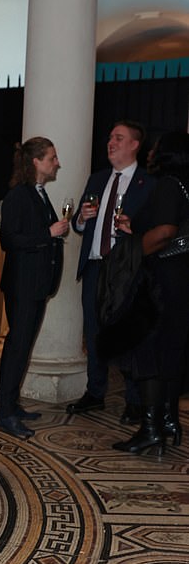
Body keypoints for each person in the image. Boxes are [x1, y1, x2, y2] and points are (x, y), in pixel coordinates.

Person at [68, 121, 155, 419]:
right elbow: (79, 224)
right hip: (94, 268)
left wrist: (135, 227)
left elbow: (156, 230)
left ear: (134, 145)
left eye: (118, 138)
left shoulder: (148, 184)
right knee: (93, 334)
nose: (111, 142)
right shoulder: (97, 179)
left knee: (126, 333)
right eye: (109, 138)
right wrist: (81, 217)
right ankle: (95, 392)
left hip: (125, 272)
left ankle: (134, 399)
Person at [112, 130, 189, 455]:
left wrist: (132, 248)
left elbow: (165, 232)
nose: (150, 152)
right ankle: (169, 419)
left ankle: (150, 430)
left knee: (149, 355)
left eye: (156, 147)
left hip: (160, 282)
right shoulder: (186, 187)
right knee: (171, 354)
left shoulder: (168, 185)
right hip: (180, 282)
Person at [0, 138, 69, 438]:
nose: (57, 163)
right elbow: (10, 240)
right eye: (52, 158)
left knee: (23, 348)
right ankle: (5, 414)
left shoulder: (39, 194)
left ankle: (13, 407)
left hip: (37, 286)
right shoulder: (17, 197)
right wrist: (48, 233)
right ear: (37, 162)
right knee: (16, 349)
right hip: (22, 287)